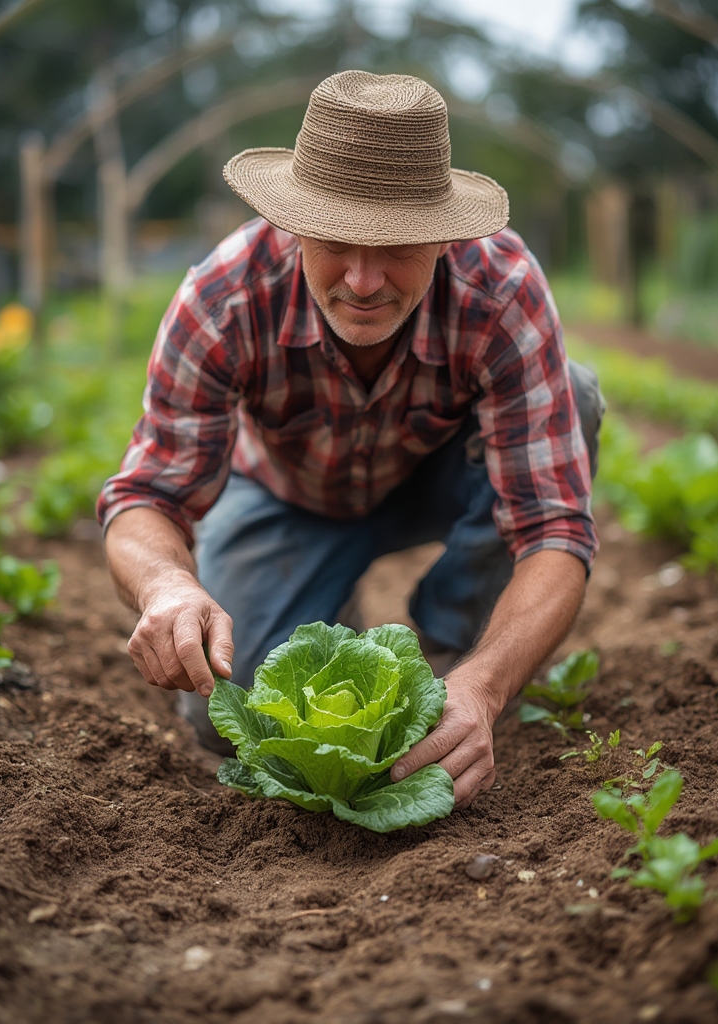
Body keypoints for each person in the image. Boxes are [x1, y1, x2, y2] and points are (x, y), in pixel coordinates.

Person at [97, 70, 603, 812]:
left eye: (397, 245)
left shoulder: (500, 291)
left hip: (439, 483)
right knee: (231, 710)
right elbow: (147, 495)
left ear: (444, 234)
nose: (364, 280)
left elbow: (553, 529)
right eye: (336, 241)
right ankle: (329, 612)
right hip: (291, 497)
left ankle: (453, 649)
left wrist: (486, 686)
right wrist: (166, 585)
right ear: (295, 224)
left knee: (575, 395)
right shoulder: (226, 298)